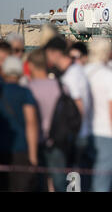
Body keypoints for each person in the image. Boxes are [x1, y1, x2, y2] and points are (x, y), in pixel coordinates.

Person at [44, 37, 92, 168]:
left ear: (56, 53)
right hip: (75, 134)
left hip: (75, 136)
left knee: (72, 181)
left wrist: (75, 131)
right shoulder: (72, 71)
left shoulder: (72, 75)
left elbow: (79, 104)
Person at [85, 38, 112, 192]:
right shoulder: (111, 76)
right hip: (106, 134)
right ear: (108, 53)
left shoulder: (82, 72)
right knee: (102, 185)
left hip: (85, 132)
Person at [27, 48, 66, 192]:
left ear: (30, 65)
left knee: (39, 183)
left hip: (36, 141)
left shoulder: (28, 88)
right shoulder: (60, 86)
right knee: (60, 183)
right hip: (58, 140)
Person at [0, 56, 39, 191]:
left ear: (3, 72)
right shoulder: (25, 93)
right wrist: (33, 156)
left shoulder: (1, 91)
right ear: (21, 72)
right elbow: (31, 122)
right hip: (21, 149)